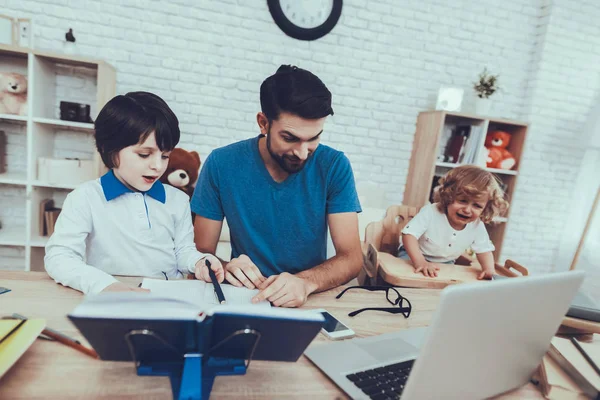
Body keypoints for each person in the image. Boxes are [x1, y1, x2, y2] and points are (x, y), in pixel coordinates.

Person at [191, 65, 363, 308]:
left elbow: (352, 258)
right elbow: (201, 251)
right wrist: (227, 267)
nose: (303, 153)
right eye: (290, 138)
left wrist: (304, 283)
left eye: (314, 138)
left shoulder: (335, 165)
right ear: (263, 123)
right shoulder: (221, 163)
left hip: (311, 296)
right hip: (244, 296)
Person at [45, 92, 223, 294]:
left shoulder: (178, 200)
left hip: (167, 299)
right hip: (111, 297)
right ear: (109, 149)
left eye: (165, 156)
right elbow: (59, 256)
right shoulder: (85, 198)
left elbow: (183, 251)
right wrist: (104, 285)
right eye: (144, 155)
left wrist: (198, 261)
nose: (157, 166)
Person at [400, 165, 509, 279]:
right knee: (407, 277)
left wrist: (489, 270)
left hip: (446, 263)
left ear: (485, 208)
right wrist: (420, 262)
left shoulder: (476, 225)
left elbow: (484, 250)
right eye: (462, 201)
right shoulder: (431, 212)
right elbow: (409, 235)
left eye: (476, 205)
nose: (467, 210)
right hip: (413, 255)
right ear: (448, 196)